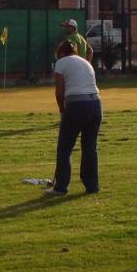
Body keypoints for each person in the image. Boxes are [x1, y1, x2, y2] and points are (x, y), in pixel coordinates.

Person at [45, 39, 100, 196]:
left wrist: (62, 110)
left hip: (76, 105)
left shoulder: (61, 63)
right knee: (90, 147)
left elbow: (59, 91)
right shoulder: (84, 62)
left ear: (60, 52)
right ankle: (92, 186)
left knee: (65, 147)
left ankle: (61, 186)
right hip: (95, 104)